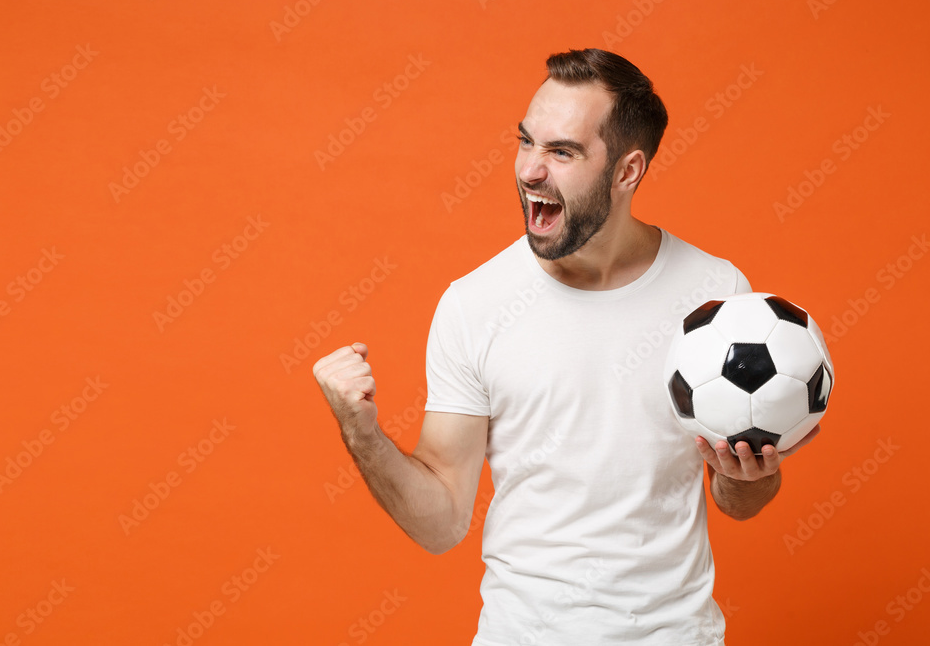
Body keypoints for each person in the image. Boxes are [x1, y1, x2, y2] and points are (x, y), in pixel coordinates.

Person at [312, 48, 819, 645]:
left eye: (562, 151)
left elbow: (736, 502)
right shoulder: (474, 304)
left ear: (628, 171)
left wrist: (749, 475)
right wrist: (361, 433)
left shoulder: (716, 297)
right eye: (527, 142)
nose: (529, 170)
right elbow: (442, 523)